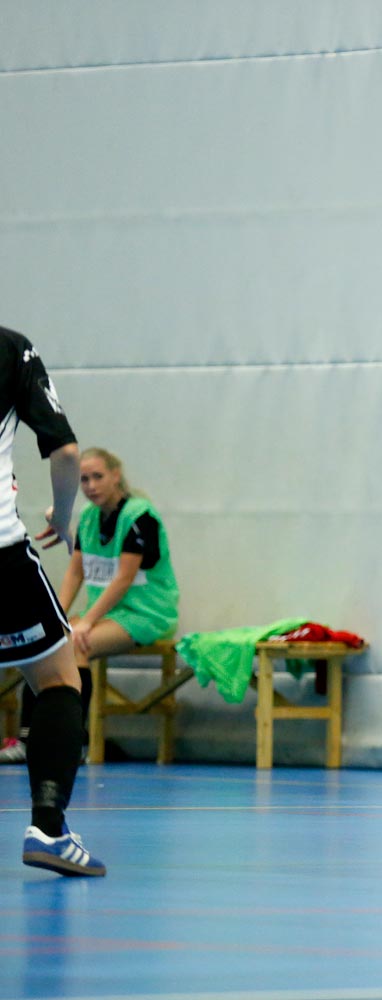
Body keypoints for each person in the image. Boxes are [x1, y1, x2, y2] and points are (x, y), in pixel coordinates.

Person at [0, 324, 105, 876]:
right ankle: (48, 828)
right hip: (2, 558)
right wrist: (64, 516)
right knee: (60, 680)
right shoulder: (10, 349)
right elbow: (64, 449)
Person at [3, 448, 181, 767]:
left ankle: (75, 742)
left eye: (98, 476)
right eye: (83, 479)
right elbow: (75, 571)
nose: (90, 485)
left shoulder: (139, 516)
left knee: (75, 646)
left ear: (116, 475)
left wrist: (85, 622)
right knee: (45, 643)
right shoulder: (87, 517)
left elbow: (124, 579)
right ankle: (29, 738)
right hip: (106, 614)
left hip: (146, 614)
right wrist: (53, 617)